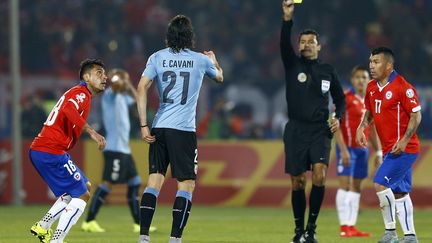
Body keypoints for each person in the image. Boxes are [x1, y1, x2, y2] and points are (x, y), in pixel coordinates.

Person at [136, 15, 223, 243]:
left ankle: (143, 237)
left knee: (154, 182)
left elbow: (141, 87)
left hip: (159, 127)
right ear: (190, 36)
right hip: (183, 130)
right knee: (186, 185)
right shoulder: (200, 60)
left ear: (168, 35)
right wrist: (214, 60)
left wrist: (144, 125)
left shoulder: (157, 57)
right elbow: (220, 78)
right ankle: (175, 239)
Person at [280, 1, 346, 242]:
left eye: (310, 42)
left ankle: (311, 230)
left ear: (319, 46)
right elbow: (283, 44)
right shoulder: (292, 64)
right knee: (298, 182)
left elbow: (340, 99)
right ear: (298, 46)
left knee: (319, 176)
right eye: (302, 42)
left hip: (320, 130)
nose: (306, 45)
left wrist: (338, 118)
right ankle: (298, 232)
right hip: (296, 130)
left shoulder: (328, 70)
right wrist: (287, 19)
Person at [29, 59, 107, 243]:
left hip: (45, 150)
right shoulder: (81, 93)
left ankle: (43, 225)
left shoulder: (79, 93)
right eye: (99, 73)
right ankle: (57, 240)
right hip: (50, 150)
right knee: (83, 194)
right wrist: (92, 132)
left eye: (104, 73)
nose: (105, 77)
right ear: (86, 77)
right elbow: (68, 109)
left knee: (83, 187)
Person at [356, 47, 421, 243]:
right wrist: (361, 128)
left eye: (376, 62)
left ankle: (391, 232)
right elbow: (369, 112)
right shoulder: (372, 87)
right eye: (370, 62)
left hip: (404, 149)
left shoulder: (403, 87)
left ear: (389, 65)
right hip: (388, 150)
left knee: (380, 183)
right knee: (400, 193)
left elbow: (416, 115)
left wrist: (404, 140)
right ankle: (410, 236)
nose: (371, 66)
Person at [81, 69, 156, 234]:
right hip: (114, 149)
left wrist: (128, 83)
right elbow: (115, 85)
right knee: (107, 184)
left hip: (124, 150)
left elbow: (139, 100)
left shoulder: (123, 96)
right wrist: (120, 80)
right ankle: (89, 221)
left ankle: (138, 224)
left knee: (135, 183)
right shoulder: (110, 95)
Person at [334, 66, 382, 237]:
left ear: (369, 80)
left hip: (362, 151)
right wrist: (343, 150)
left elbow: (373, 129)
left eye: (364, 77)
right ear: (352, 80)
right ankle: (343, 227)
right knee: (345, 185)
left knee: (356, 187)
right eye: (357, 77)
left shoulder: (371, 101)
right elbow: (336, 126)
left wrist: (378, 152)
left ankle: (352, 226)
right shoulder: (345, 99)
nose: (361, 80)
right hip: (347, 149)